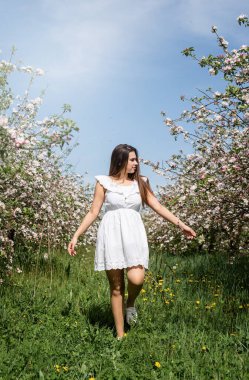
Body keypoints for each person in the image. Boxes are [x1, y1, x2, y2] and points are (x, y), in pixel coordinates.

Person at [68, 144, 196, 340]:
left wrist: (181, 224)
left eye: (136, 159)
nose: (137, 163)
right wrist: (76, 235)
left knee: (137, 278)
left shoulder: (141, 183)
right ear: (121, 161)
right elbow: (93, 212)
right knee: (116, 286)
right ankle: (120, 335)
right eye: (132, 160)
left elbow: (157, 206)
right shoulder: (103, 182)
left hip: (134, 235)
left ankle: (131, 304)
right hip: (111, 234)